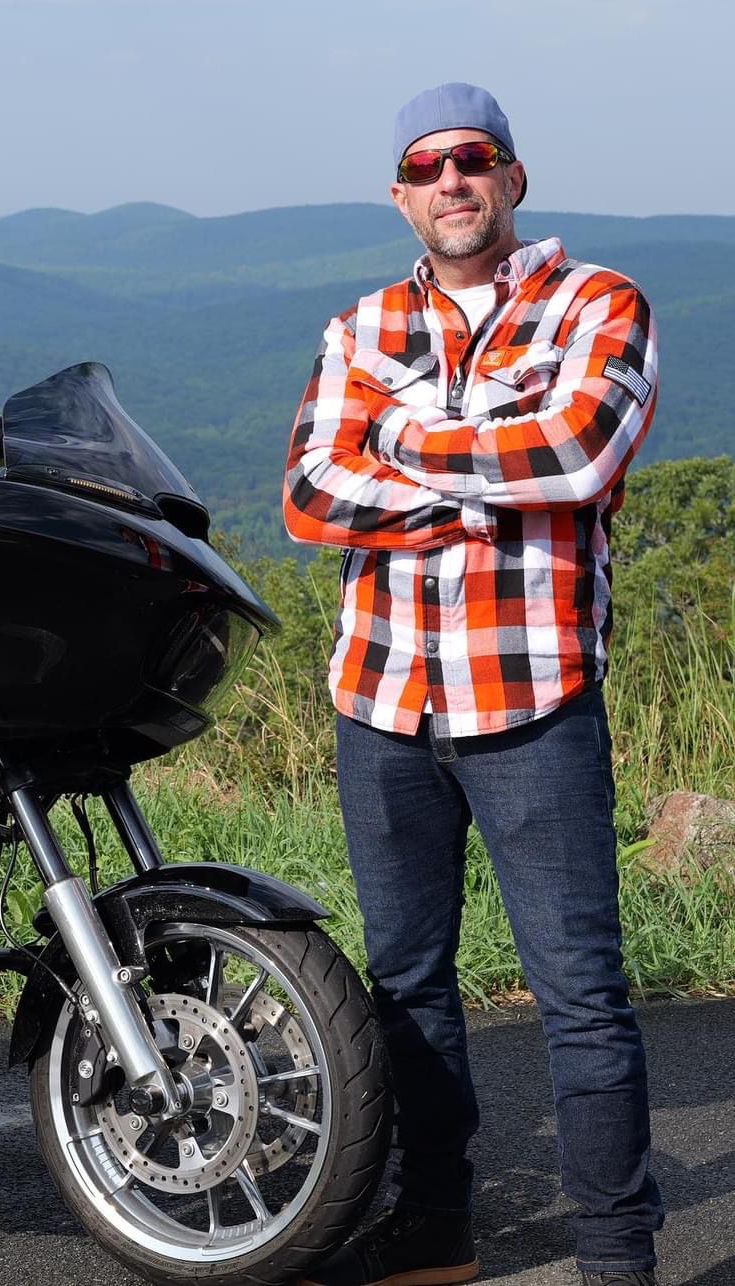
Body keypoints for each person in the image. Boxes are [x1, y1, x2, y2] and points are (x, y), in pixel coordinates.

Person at [282, 84, 663, 1286]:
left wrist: (393, 441)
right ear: (398, 195)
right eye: (425, 166)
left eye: (472, 159)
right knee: (403, 981)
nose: (450, 181)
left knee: (579, 991)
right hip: (381, 702)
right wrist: (479, 472)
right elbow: (304, 496)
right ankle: (432, 1221)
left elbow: (573, 452)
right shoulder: (357, 324)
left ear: (511, 177)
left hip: (531, 701)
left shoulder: (596, 303)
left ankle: (613, 1255)